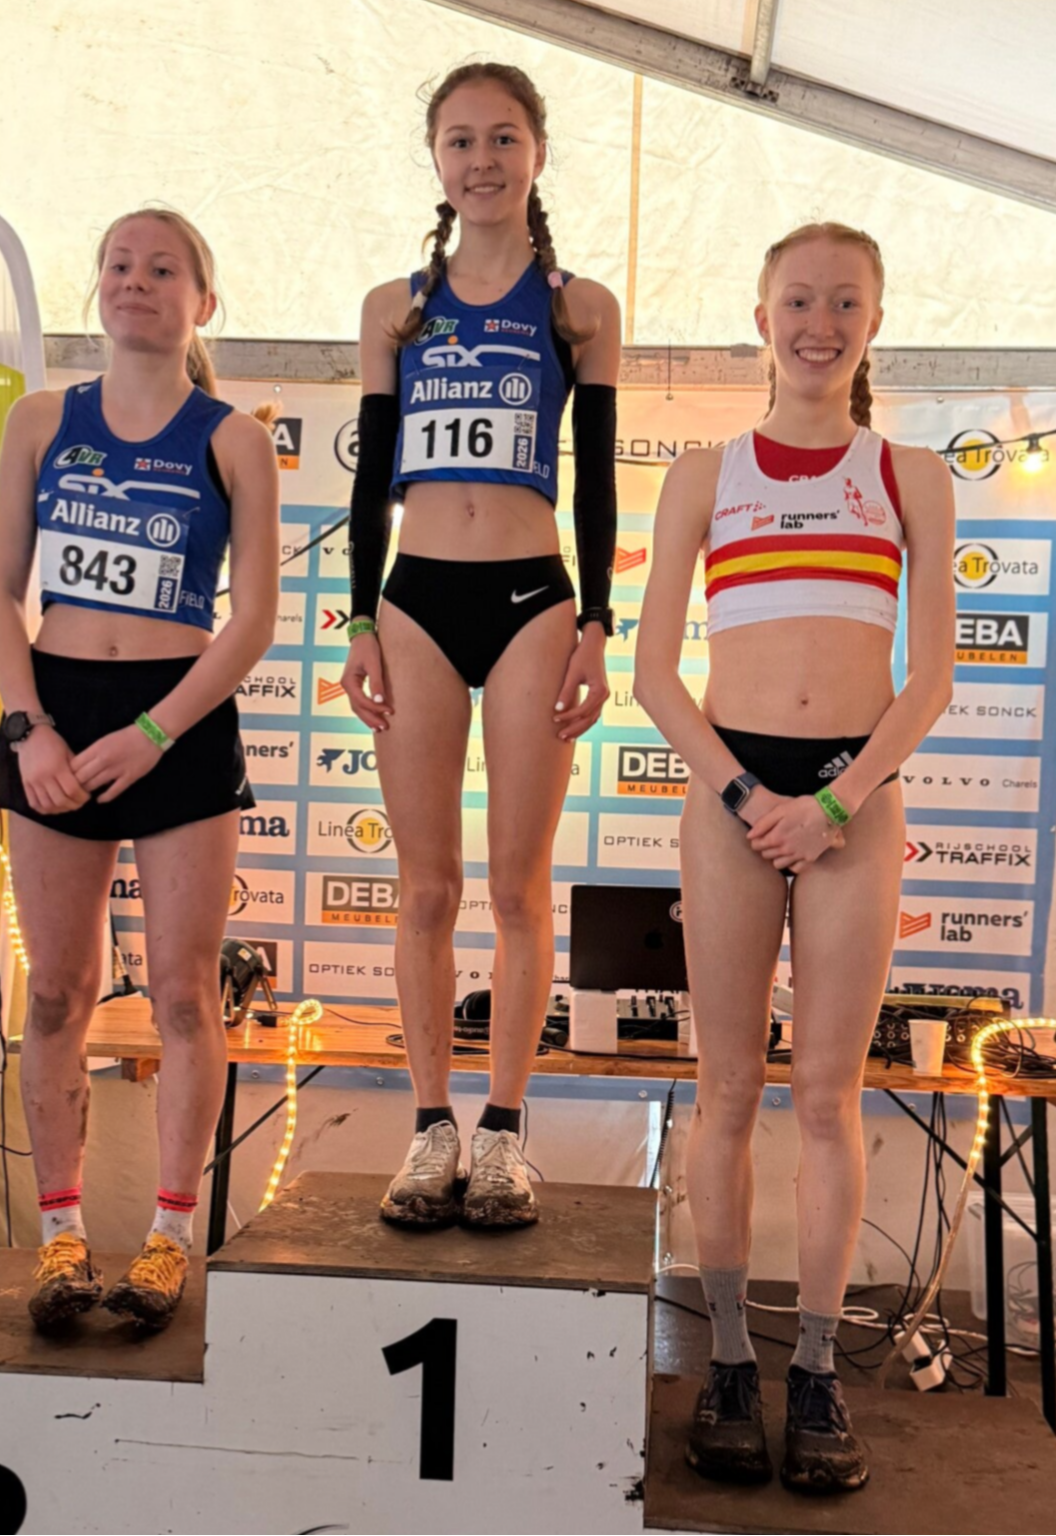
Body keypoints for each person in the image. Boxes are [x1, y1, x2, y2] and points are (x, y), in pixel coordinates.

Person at [633, 223, 956, 1493]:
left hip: (851, 802)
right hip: (734, 796)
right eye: (800, 301)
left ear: (875, 320)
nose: (821, 325)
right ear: (761, 315)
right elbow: (656, 676)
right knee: (725, 1089)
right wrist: (744, 794)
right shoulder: (704, 474)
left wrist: (833, 805)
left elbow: (930, 678)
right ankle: (727, 1358)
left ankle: (816, 1369)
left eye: (845, 303)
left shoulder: (908, 475)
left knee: (826, 1097)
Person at [0, 208, 280, 1332]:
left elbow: (253, 621)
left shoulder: (233, 439)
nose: (136, 281)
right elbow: (0, 592)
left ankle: (169, 1237)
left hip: (179, 720)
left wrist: (155, 733)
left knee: (182, 993)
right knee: (56, 991)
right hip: (57, 717)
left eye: (163, 269)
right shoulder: (40, 420)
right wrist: (29, 728)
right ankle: (60, 1239)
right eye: (119, 264)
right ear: (96, 286)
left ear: (204, 301)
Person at [338, 62, 621, 1231]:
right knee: (425, 886)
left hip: (531, 598)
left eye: (503, 138)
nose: (483, 160)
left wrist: (598, 620)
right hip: (414, 600)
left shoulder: (578, 307)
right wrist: (359, 616)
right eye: (460, 141)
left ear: (537, 153)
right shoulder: (394, 308)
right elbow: (370, 484)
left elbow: (596, 479)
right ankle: (428, 1128)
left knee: (514, 885)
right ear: (436, 160)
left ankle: (502, 1130)